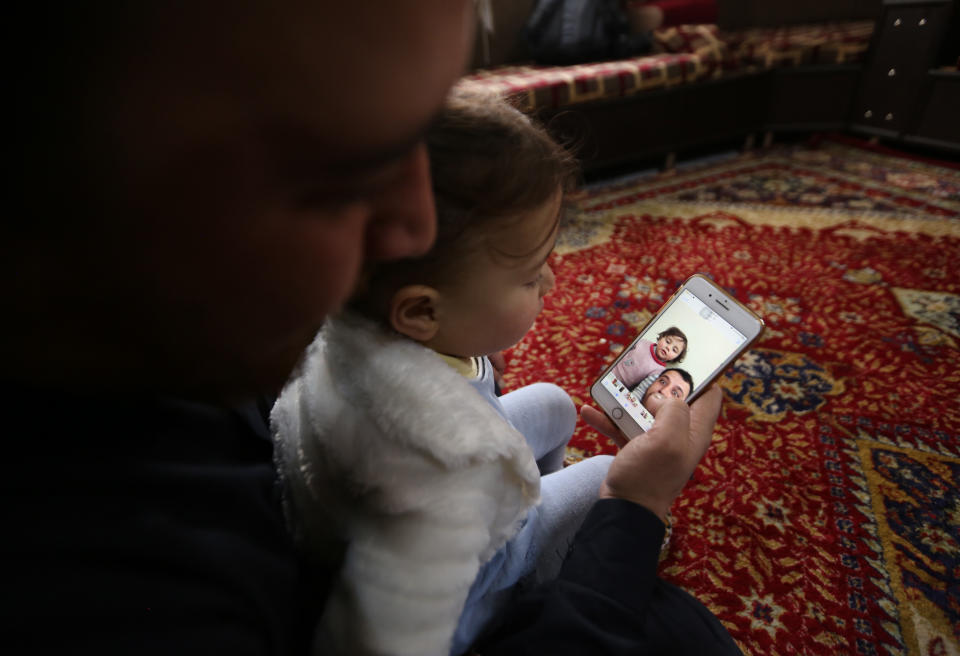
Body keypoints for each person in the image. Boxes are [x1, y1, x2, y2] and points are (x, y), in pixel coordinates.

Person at [5, 2, 740, 655]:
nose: (418, 224)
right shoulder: (141, 599)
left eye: (425, 132)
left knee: (551, 405)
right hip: (455, 563)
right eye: (345, 172)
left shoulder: (232, 346)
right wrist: (634, 509)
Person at [271, 89, 613, 656]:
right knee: (607, 476)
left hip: (397, 498)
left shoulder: (354, 320)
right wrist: (633, 503)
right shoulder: (442, 467)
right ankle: (535, 574)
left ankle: (527, 512)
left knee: (554, 403)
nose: (552, 283)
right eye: (530, 277)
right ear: (423, 311)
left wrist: (472, 362)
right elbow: (386, 634)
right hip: (465, 579)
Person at [613, 326, 689, 388]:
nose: (668, 347)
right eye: (668, 342)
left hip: (620, 386)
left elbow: (642, 388)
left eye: (674, 350)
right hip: (611, 366)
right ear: (661, 338)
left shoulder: (658, 370)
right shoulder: (643, 342)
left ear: (675, 358)